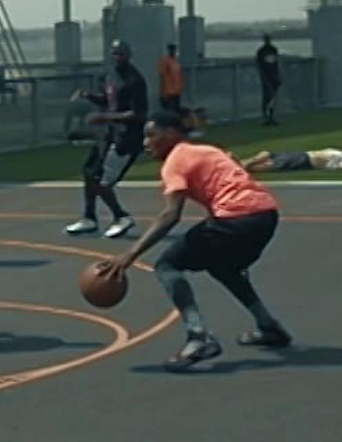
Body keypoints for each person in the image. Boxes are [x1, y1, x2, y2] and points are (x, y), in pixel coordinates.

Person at [107, 111, 291, 370]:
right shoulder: (209, 150)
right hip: (265, 215)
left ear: (171, 133)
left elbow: (170, 215)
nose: (146, 143)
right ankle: (268, 325)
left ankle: (199, 336)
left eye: (151, 135)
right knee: (223, 267)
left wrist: (131, 254)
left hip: (235, 218)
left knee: (167, 265)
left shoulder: (175, 161)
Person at [66, 40, 148, 238]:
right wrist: (89, 96)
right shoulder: (112, 75)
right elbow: (109, 100)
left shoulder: (135, 80)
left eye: (121, 54)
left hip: (126, 139)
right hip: (108, 135)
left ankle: (121, 216)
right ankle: (89, 218)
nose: (117, 57)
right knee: (89, 172)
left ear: (128, 55)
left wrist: (104, 117)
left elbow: (137, 114)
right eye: (114, 53)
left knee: (102, 181)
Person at [241, 147, 342, 173]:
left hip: (304, 159)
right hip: (303, 156)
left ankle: (242, 166)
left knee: (271, 161)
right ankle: (243, 165)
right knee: (268, 155)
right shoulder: (337, 152)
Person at [255, 34, 282, 125]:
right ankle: (265, 117)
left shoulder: (274, 49)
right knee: (266, 97)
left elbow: (276, 64)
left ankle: (271, 116)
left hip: (274, 77)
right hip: (266, 77)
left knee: (273, 98)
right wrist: (263, 78)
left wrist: (278, 76)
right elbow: (259, 66)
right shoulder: (261, 51)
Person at [158, 43, 185, 115]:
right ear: (168, 50)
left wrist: (181, 87)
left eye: (174, 49)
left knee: (176, 112)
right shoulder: (165, 61)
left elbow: (180, 75)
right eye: (171, 49)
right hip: (169, 92)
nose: (173, 51)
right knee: (170, 113)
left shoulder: (176, 61)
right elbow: (162, 77)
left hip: (177, 92)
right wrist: (163, 94)